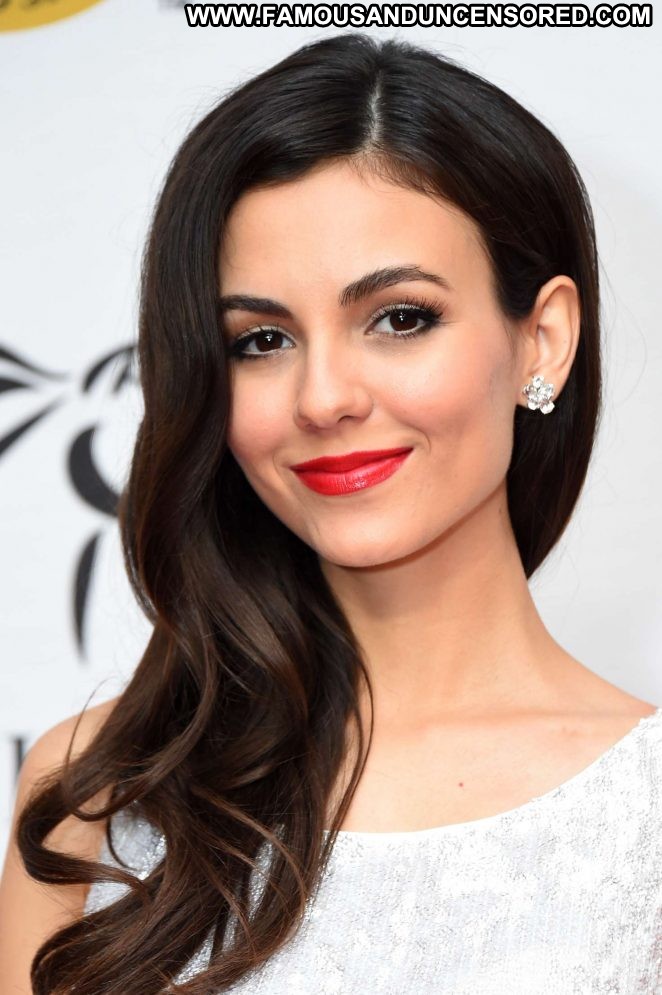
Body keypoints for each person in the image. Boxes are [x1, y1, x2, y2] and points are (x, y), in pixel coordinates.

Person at [1, 31, 660, 995]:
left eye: (400, 317)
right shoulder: (98, 792)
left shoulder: (646, 814)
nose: (323, 398)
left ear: (543, 340)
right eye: (262, 339)